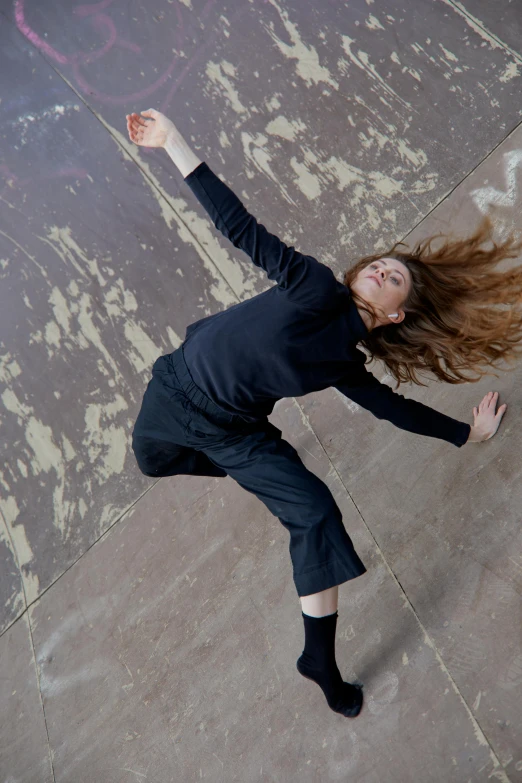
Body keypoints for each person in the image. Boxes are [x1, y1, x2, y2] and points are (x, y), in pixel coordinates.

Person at [126, 109, 522, 718]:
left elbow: (393, 409)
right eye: (382, 265)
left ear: (395, 315)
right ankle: (238, 466)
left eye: (396, 280)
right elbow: (239, 226)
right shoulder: (313, 285)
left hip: (236, 430)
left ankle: (319, 660)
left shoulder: (344, 364)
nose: (384, 270)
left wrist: (466, 434)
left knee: (314, 514)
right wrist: (174, 142)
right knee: (153, 462)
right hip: (175, 391)